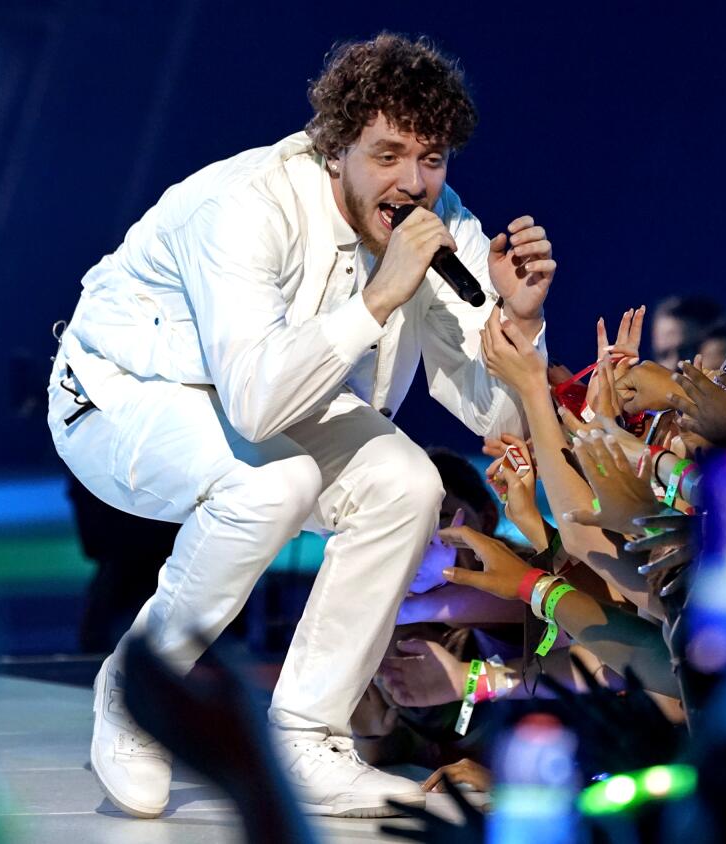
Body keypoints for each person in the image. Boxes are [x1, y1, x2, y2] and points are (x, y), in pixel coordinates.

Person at [46, 33, 554, 819]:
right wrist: (380, 298)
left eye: (432, 159)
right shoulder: (246, 205)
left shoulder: (438, 220)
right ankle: (137, 685)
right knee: (274, 482)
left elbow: (494, 416)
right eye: (388, 155)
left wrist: (520, 322)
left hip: (272, 400)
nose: (413, 183)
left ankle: (310, 737)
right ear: (335, 148)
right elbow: (254, 404)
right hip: (118, 395)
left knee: (404, 483)